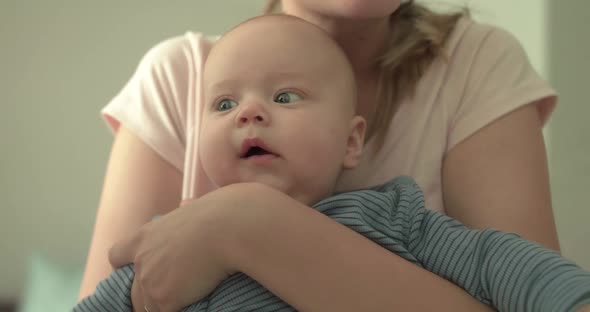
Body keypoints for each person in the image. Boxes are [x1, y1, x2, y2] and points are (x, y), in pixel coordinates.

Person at [74, 14, 590, 312]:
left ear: (352, 141)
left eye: (286, 97)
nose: (249, 112)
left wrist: (249, 225)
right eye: (225, 105)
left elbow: (501, 265)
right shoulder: (173, 236)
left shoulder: (392, 218)